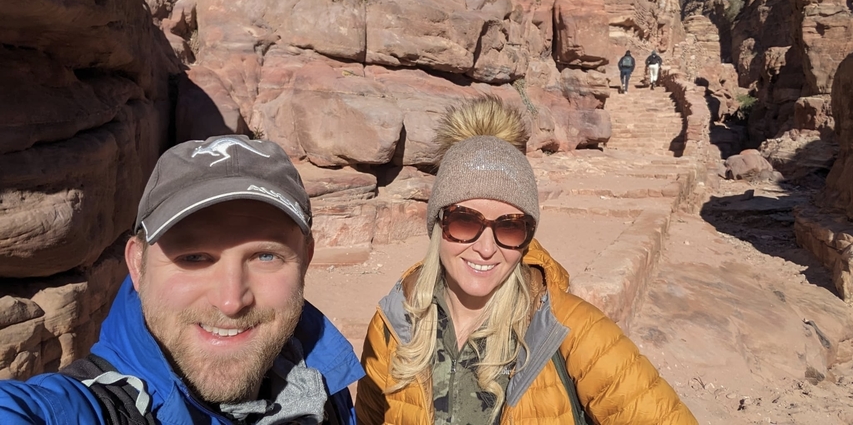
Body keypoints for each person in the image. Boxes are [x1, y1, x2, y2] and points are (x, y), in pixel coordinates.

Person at [356, 97, 697, 424]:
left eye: (510, 227)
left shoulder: (573, 332)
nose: (486, 248)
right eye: (466, 221)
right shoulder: (393, 324)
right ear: (437, 224)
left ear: (527, 236)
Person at [0, 134, 364, 424]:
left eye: (265, 256)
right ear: (138, 265)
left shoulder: (319, 377)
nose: (231, 301)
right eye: (193, 257)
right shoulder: (94, 406)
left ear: (305, 260)